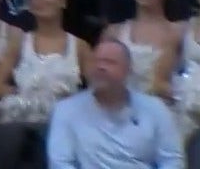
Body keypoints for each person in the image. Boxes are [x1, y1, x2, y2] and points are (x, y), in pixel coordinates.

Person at [47, 39, 184, 169]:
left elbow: (172, 160)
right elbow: (60, 163)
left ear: (128, 70)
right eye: (95, 61)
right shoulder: (66, 110)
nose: (100, 67)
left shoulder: (155, 108)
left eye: (109, 62)